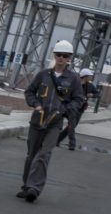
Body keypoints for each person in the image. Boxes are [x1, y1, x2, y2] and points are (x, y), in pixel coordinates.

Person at [18, 40, 86, 203]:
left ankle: (34, 188)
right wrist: (36, 104)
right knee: (32, 154)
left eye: (65, 56)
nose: (61, 58)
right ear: (54, 55)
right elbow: (29, 92)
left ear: (69, 58)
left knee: (44, 154)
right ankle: (26, 186)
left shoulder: (73, 79)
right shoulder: (43, 75)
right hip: (37, 121)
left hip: (55, 123)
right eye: (59, 55)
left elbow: (78, 100)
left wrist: (64, 109)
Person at [57, 67, 97, 151]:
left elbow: (98, 93)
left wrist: (92, 95)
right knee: (70, 125)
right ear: (85, 76)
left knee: (71, 126)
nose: (90, 77)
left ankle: (57, 140)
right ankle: (72, 144)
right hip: (71, 108)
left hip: (80, 110)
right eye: (89, 76)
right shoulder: (75, 84)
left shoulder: (90, 86)